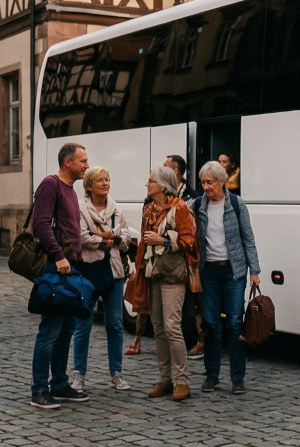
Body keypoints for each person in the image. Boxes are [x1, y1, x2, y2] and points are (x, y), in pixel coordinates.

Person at [30, 143, 94, 409]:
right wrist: (58, 256)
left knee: (67, 328)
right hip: (57, 267)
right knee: (50, 330)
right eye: (83, 161)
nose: (86, 165)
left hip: (71, 267)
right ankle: (38, 390)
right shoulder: (50, 184)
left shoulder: (70, 189)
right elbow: (40, 224)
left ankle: (59, 384)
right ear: (68, 162)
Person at [191, 161, 261, 395]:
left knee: (233, 323)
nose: (205, 187)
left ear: (222, 182)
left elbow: (248, 238)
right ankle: (211, 376)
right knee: (211, 325)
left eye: (209, 182)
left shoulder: (235, 204)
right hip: (208, 271)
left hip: (234, 271)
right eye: (202, 182)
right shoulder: (198, 205)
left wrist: (255, 271)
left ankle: (237, 378)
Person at [75, 165, 136, 392]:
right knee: (83, 325)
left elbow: (127, 238)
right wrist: (109, 238)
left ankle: (117, 373)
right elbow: (81, 238)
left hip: (114, 272)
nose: (105, 183)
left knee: (115, 325)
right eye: (100, 180)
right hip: (88, 272)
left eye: (107, 179)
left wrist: (103, 236)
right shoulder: (80, 208)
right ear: (89, 185)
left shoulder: (116, 209)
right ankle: (79, 375)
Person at [139, 165, 198, 401]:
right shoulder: (149, 209)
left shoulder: (180, 208)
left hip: (174, 274)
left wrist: (162, 240)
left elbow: (189, 242)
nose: (147, 184)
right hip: (153, 274)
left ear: (163, 186)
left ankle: (182, 381)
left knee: (173, 328)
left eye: (151, 180)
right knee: (159, 329)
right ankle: (165, 378)